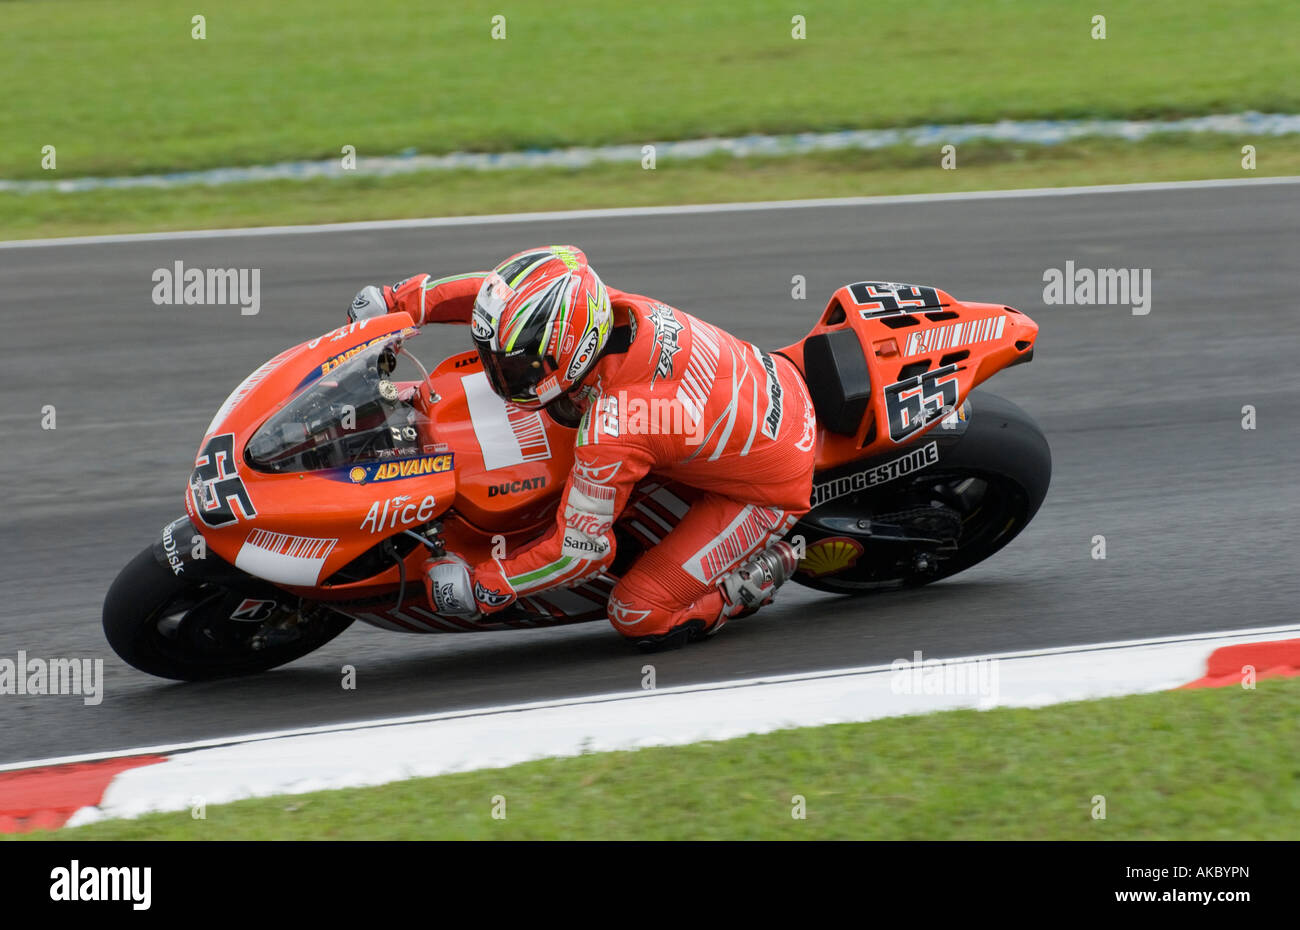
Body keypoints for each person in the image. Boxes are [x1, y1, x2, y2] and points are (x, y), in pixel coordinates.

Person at [349, 245, 816, 650]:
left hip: (767, 484)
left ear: (567, 351)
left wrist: (485, 583)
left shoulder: (614, 427)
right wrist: (401, 303)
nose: (498, 375)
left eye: (516, 366)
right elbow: (498, 296)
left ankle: (749, 580)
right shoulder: (589, 302)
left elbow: (582, 552)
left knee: (639, 613)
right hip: (756, 392)